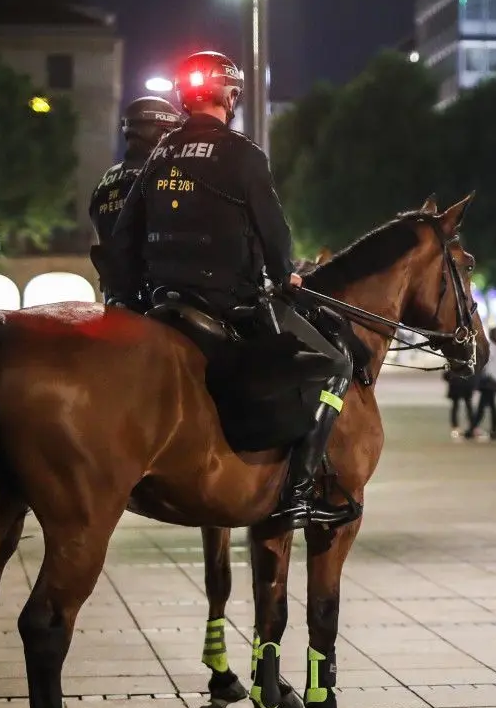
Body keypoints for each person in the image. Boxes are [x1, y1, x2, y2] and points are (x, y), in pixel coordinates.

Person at [113, 50, 354, 529]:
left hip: (165, 302)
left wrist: (127, 298)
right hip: (228, 302)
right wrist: (285, 272)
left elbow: (124, 235)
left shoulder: (159, 153)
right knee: (337, 367)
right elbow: (273, 230)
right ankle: (299, 490)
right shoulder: (242, 153)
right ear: (231, 95)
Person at [89, 96, 183, 305]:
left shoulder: (105, 181)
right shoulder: (163, 174)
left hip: (115, 296)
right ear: (160, 134)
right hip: (158, 297)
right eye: (171, 132)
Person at [467, 326, 496, 441]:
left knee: (484, 407)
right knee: (490, 406)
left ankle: (474, 429)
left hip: (489, 380)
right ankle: (492, 430)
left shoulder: (491, 348)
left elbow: (485, 364)